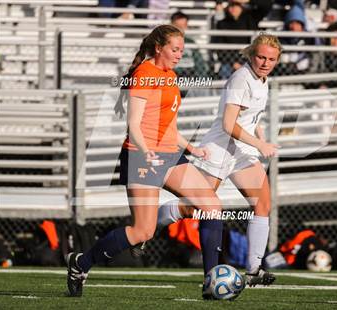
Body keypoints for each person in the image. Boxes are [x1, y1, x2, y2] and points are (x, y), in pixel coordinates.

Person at [66, 25, 223, 298]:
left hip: (170, 155)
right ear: (159, 47)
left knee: (212, 205)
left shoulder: (170, 76)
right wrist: (146, 150)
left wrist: (191, 148)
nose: (178, 55)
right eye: (175, 50)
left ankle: (212, 280)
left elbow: (168, 127)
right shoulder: (144, 75)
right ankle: (81, 264)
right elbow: (134, 125)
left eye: (182, 51)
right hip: (141, 156)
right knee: (142, 231)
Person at [155, 34, 283, 287]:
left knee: (263, 203)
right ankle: (150, 224)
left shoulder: (263, 79)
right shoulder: (241, 78)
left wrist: (259, 134)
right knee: (195, 208)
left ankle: (254, 270)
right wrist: (259, 144)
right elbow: (228, 124)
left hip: (241, 152)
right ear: (251, 54)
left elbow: (250, 116)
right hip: (219, 148)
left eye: (271, 59)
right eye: (261, 57)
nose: (265, 63)